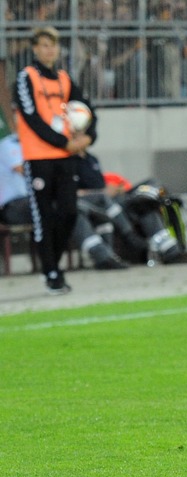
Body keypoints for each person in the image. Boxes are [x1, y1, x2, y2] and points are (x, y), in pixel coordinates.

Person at [14, 26, 96, 294]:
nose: (50, 49)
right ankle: (51, 272)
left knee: (70, 212)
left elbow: (86, 107)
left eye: (53, 45)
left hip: (65, 158)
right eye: (44, 45)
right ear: (35, 48)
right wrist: (66, 142)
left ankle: (53, 263)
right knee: (43, 217)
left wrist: (89, 137)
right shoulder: (26, 78)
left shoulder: (63, 79)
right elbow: (32, 119)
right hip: (38, 158)